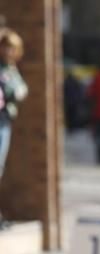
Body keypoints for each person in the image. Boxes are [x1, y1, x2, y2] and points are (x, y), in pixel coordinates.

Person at [0, 27, 27, 225]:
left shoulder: (11, 68)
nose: (8, 52)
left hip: (5, 120)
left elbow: (20, 89)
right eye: (5, 47)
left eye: (12, 48)